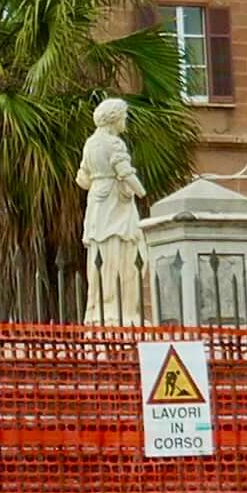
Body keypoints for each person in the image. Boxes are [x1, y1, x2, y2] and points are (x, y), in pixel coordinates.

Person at [78, 93, 150, 325]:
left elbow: (82, 178)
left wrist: (99, 181)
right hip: (116, 204)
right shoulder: (114, 143)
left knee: (101, 253)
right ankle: (122, 310)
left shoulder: (90, 143)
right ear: (114, 119)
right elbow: (125, 173)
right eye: (124, 116)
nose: (125, 120)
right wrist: (141, 192)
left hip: (97, 203)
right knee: (124, 251)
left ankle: (100, 307)